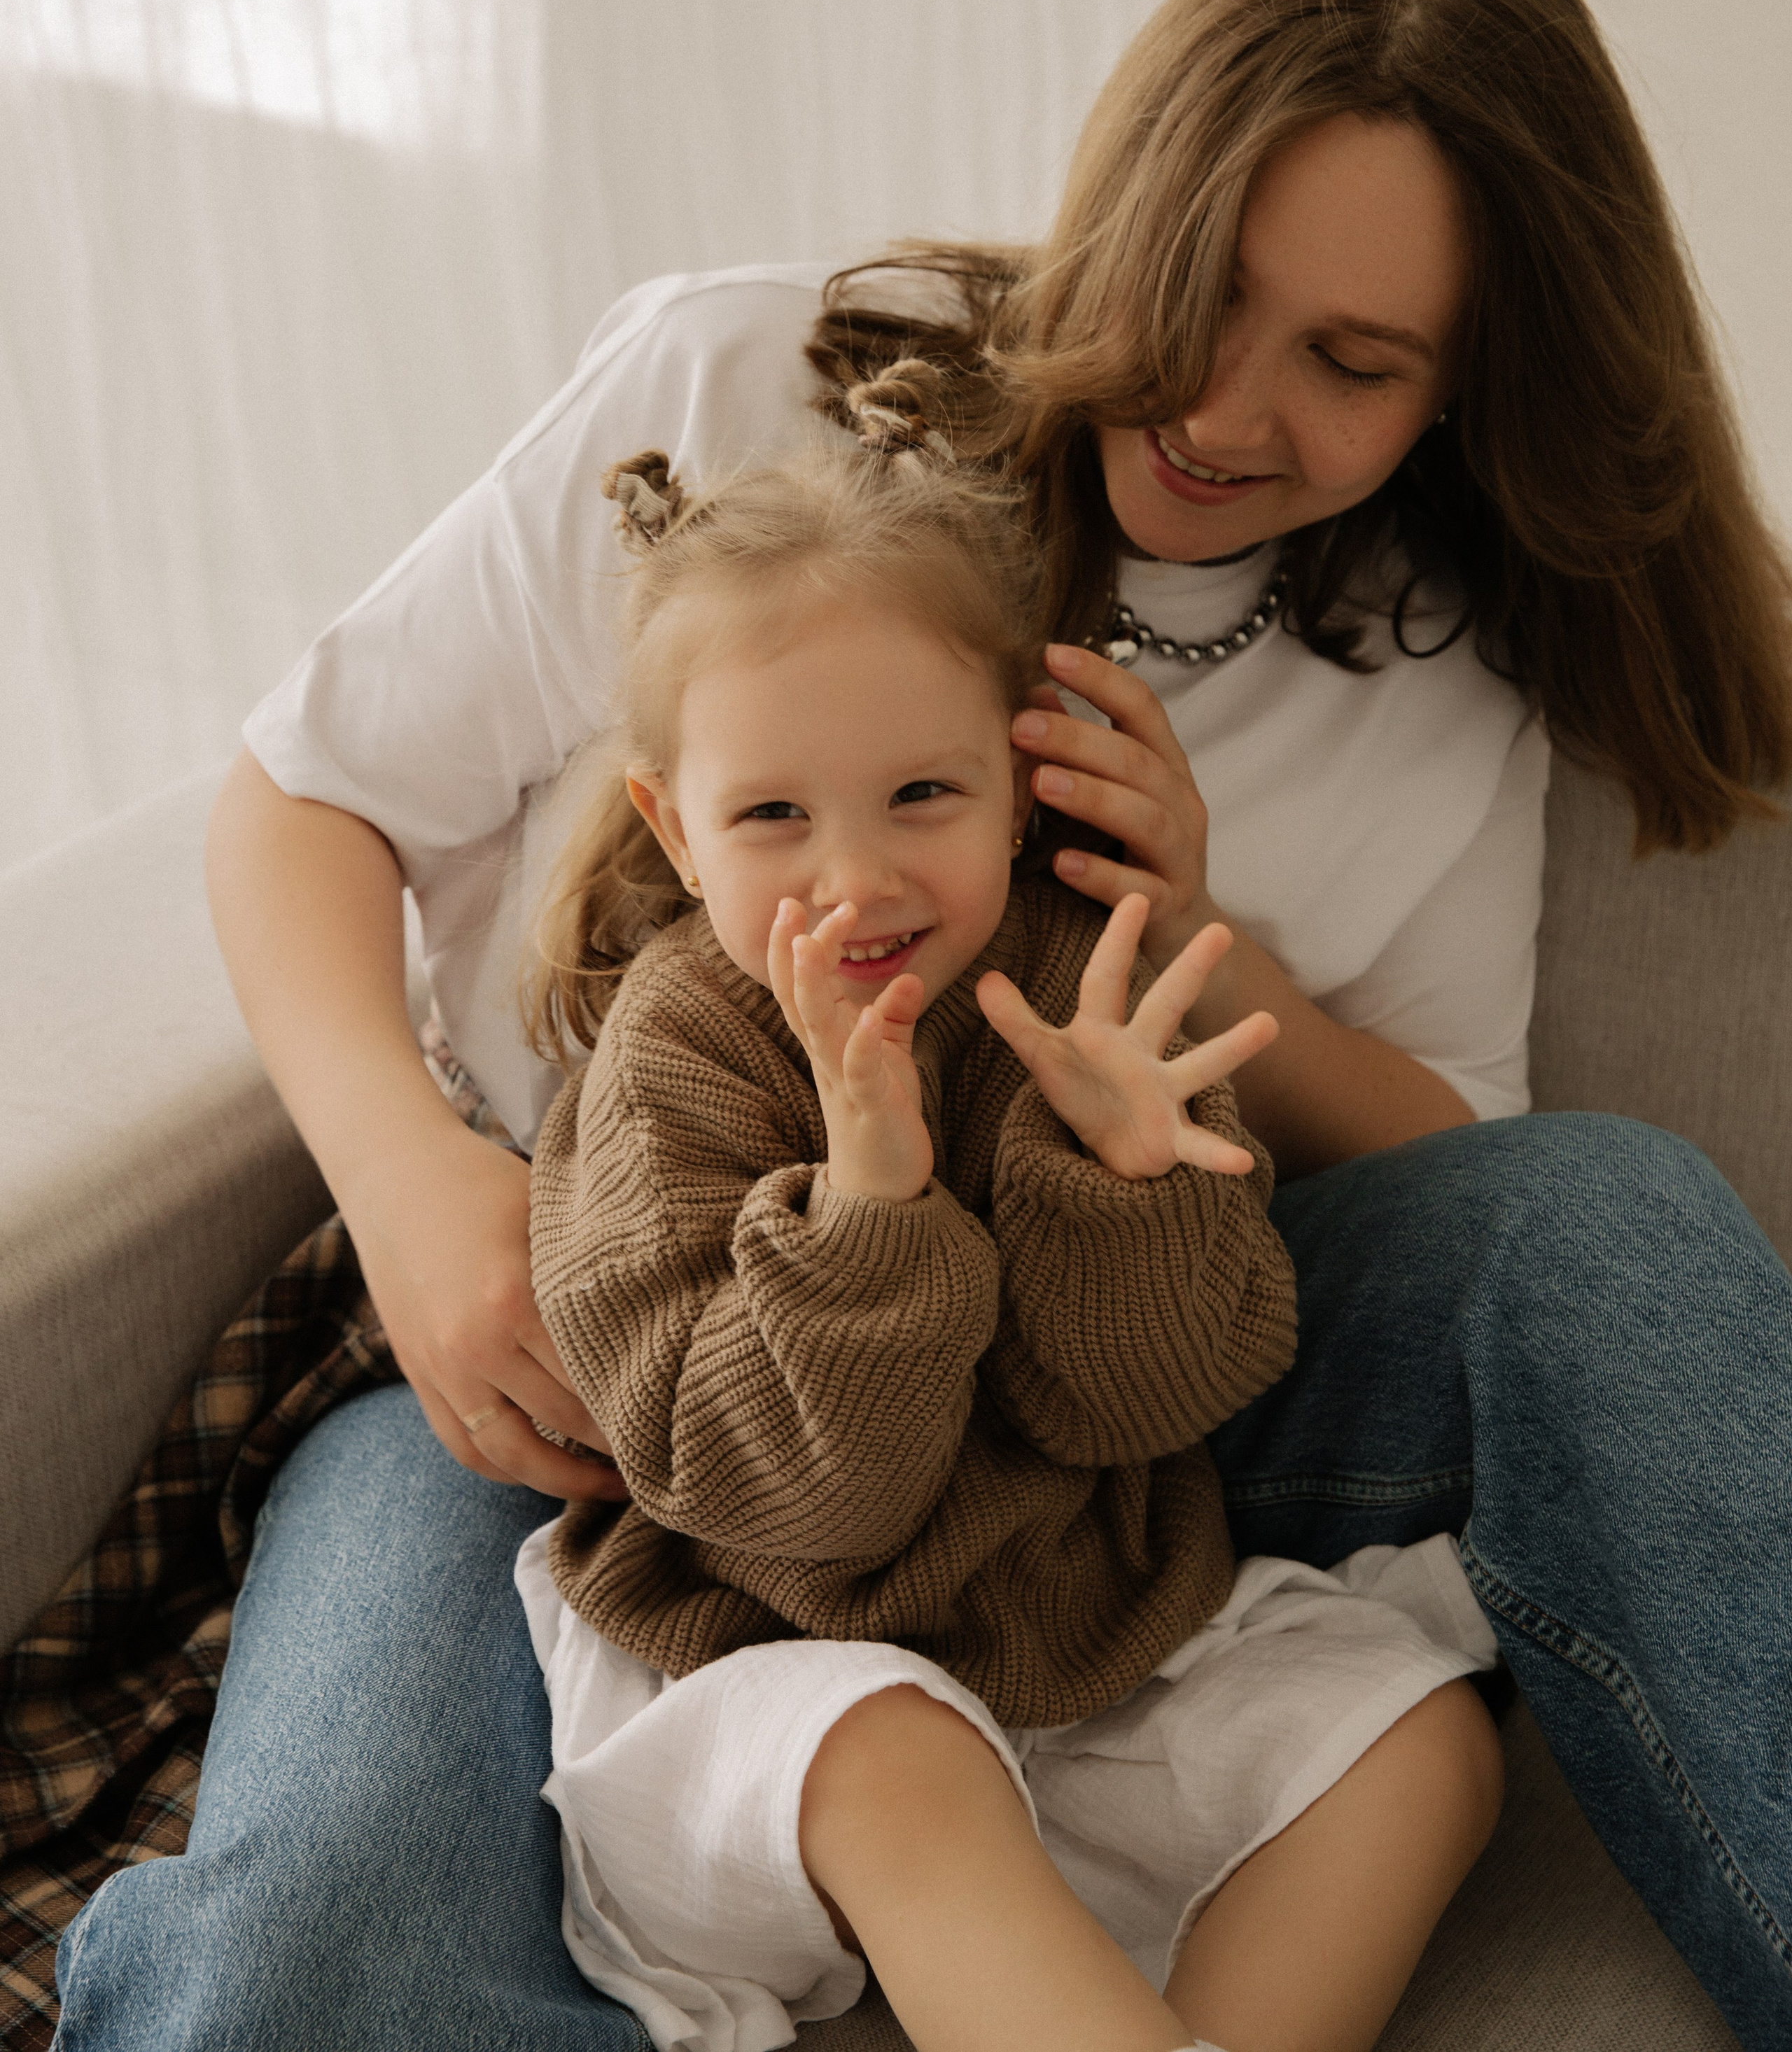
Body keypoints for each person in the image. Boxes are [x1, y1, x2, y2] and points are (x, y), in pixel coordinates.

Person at [50, 0, 1792, 2052]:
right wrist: (414, 1183)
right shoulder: (746, 375)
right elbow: (303, 793)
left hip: (1111, 1380)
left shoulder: (1434, 654)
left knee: (1613, 1227)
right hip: (587, 1369)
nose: (1231, 410)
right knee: (305, 1969)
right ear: (1122, 205)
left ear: (1463, 390)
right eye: (1202, 294)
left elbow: (1468, 1179)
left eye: (1352, 364)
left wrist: (1195, 938)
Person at [512, 435, 1501, 2052]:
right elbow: (792, 1508)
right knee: (906, 1752)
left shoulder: (1080, 982)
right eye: (770, 815)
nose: (856, 877)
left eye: (921, 793)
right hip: (783, 1687)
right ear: (675, 832)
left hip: (1081, 1642)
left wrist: (1130, 1183)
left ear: (1016, 775)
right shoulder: (675, 1056)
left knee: (1425, 1746)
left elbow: (1152, 1406)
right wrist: (868, 1207)